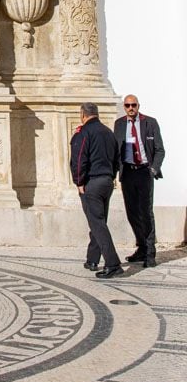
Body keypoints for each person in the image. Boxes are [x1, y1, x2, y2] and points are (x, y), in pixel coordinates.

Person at [70, 101, 122, 278]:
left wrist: (79, 181)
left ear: (83, 115)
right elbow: (117, 158)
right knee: (98, 221)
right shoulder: (108, 132)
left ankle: (113, 263)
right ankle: (92, 259)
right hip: (107, 181)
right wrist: (112, 176)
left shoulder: (84, 133)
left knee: (97, 223)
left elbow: (78, 160)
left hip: (91, 183)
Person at [114, 95, 165, 267]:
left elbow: (160, 150)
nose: (130, 108)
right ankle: (142, 247)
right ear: (124, 107)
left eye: (133, 105)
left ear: (138, 106)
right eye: (127, 105)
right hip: (128, 172)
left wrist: (153, 169)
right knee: (132, 212)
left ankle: (150, 252)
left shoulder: (150, 122)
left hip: (144, 171)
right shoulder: (119, 124)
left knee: (146, 212)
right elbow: (116, 149)